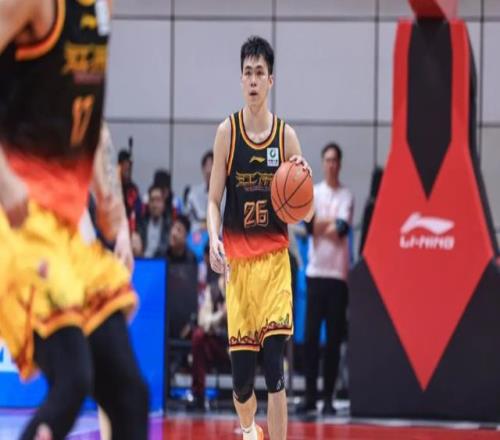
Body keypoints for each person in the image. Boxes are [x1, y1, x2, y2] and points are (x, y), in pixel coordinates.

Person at [0, 2, 149, 439]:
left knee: (130, 394)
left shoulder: (101, 8)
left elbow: (87, 113)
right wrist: (4, 178)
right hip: (18, 225)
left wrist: (110, 202)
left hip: (66, 231)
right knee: (72, 379)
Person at [207, 36, 313, 440]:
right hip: (239, 269)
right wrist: (213, 238)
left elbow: (308, 211)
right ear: (241, 80)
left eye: (260, 73)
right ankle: (251, 430)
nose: (253, 80)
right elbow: (213, 200)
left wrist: (305, 190)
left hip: (274, 266)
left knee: (275, 372)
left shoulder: (286, 138)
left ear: (271, 80)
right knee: (241, 385)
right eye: (247, 73)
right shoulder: (227, 133)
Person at [299, 143, 353, 416]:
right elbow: (308, 226)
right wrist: (323, 224)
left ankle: (328, 398)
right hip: (315, 273)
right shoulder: (313, 193)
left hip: (337, 277)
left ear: (339, 164)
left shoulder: (346, 195)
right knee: (310, 339)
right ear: (322, 163)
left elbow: (341, 229)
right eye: (327, 160)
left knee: (333, 340)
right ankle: (310, 396)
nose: (331, 164)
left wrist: (321, 223)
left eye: (335, 160)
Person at [189, 273, 229, 411]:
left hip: (241, 341)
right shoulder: (212, 290)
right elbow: (203, 321)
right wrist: (221, 315)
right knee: (198, 336)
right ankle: (198, 395)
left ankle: (249, 397)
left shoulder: (244, 288)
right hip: (219, 344)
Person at [136, 184, 170, 258]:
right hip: (143, 261)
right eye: (152, 200)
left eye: (158, 200)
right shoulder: (140, 224)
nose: (155, 205)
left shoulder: (169, 225)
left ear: (163, 203)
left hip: (162, 262)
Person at [186, 151, 213, 231]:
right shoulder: (193, 193)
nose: (209, 170)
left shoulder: (227, 195)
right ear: (202, 169)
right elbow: (189, 219)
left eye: (212, 166)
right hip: (197, 233)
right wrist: (200, 227)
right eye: (207, 166)